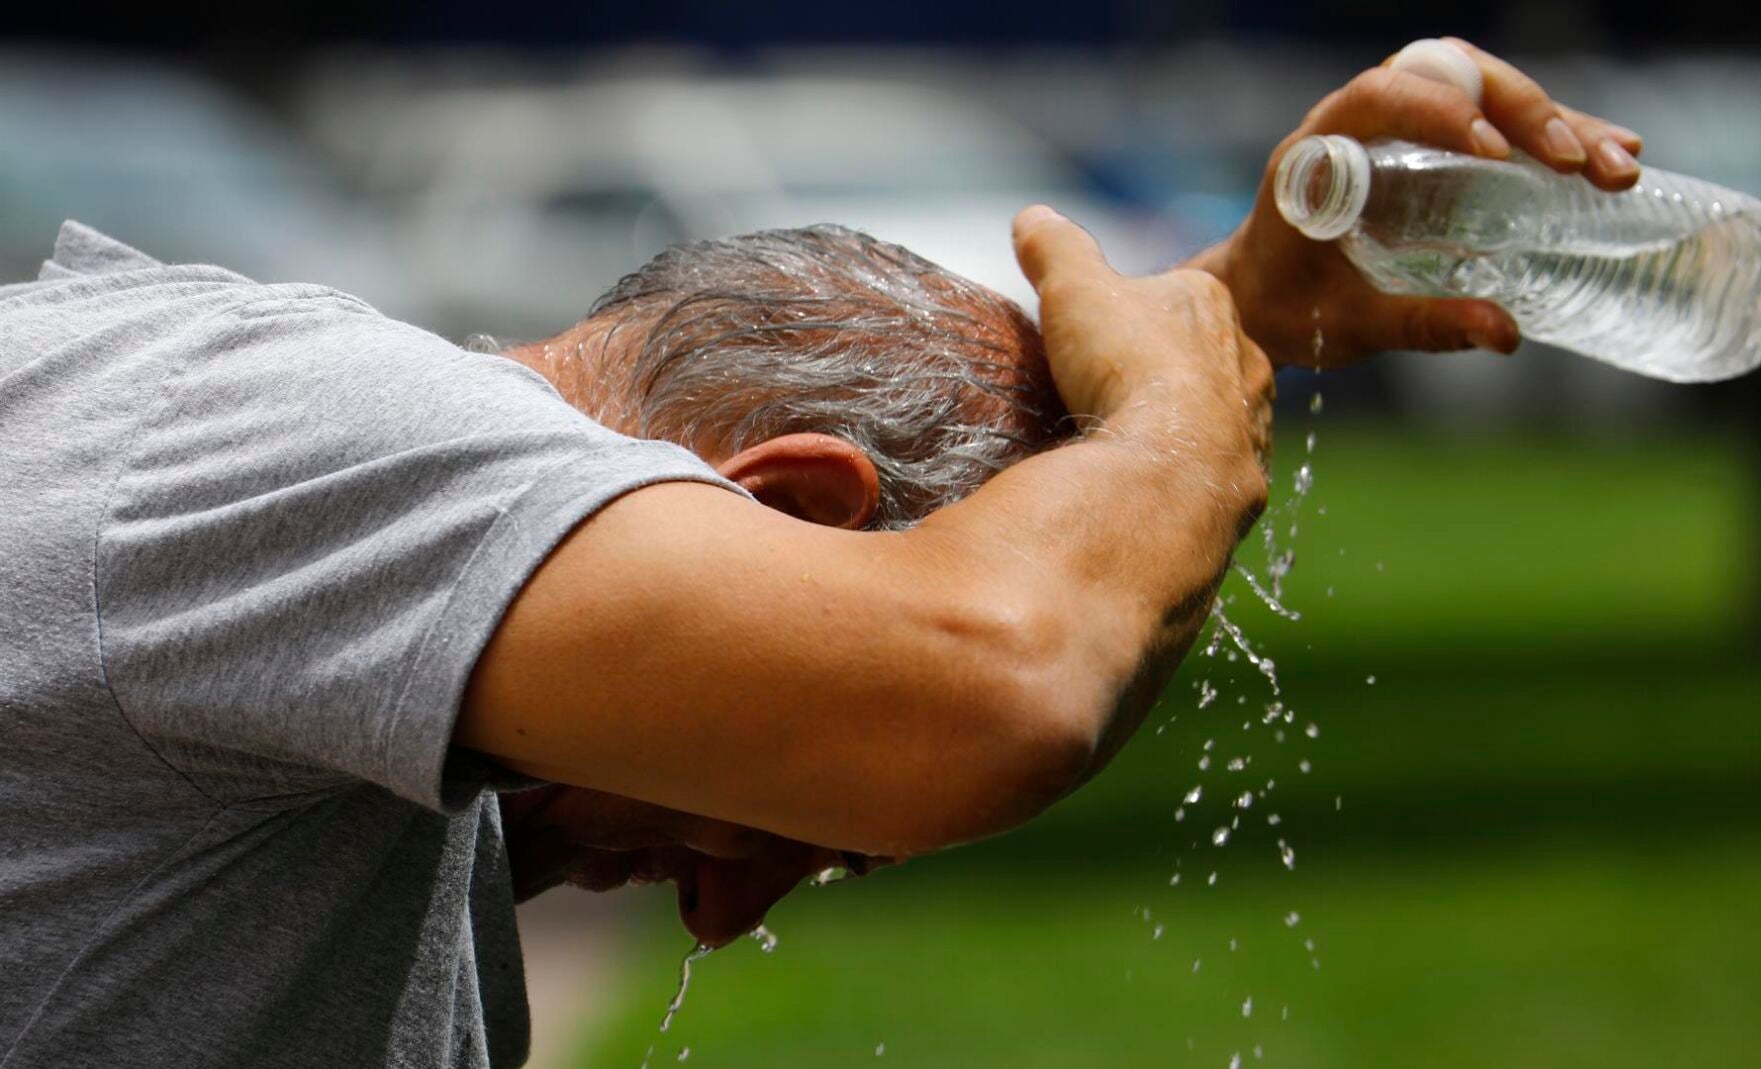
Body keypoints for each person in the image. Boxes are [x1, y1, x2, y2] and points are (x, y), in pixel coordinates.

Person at [0, 38, 1642, 1069]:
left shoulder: (318, 578)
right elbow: (990, 689)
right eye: (802, 821)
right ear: (787, 514)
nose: (726, 913)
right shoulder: (324, 436)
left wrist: (1227, 324)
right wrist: (1171, 417)